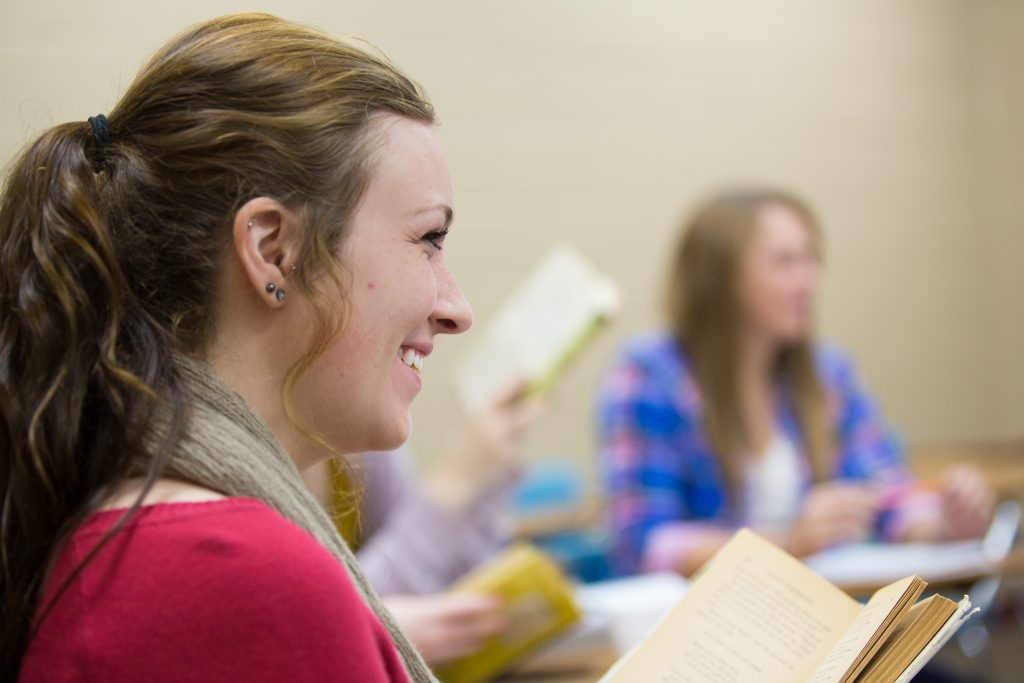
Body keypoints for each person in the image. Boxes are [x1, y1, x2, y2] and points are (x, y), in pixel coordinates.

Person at [0, 13, 472, 682]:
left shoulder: (165, 533)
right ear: (273, 250)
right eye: (428, 239)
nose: (457, 309)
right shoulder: (228, 571)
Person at [596, 187, 996, 579]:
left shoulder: (829, 373)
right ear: (720, 278)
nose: (810, 281)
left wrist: (944, 522)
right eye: (786, 262)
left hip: (828, 617)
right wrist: (786, 542)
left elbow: (887, 494)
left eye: (811, 260)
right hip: (714, 630)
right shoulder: (648, 375)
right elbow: (642, 545)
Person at [302, 386, 546, 666]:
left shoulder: (356, 447)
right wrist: (453, 483)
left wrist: (481, 480)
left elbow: (436, 581)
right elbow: (331, 619)